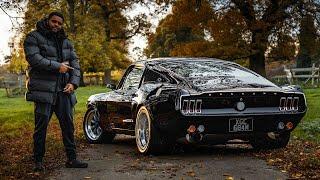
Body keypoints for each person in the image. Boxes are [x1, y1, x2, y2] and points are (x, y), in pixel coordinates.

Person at [23, 12, 88, 172]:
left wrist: (73, 83)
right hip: (44, 91)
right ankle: (38, 162)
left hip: (64, 91)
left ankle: (72, 159)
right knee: (41, 127)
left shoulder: (66, 41)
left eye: (60, 23)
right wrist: (57, 66)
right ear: (47, 21)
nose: (57, 25)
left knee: (68, 126)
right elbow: (34, 59)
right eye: (54, 21)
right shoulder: (33, 37)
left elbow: (75, 64)